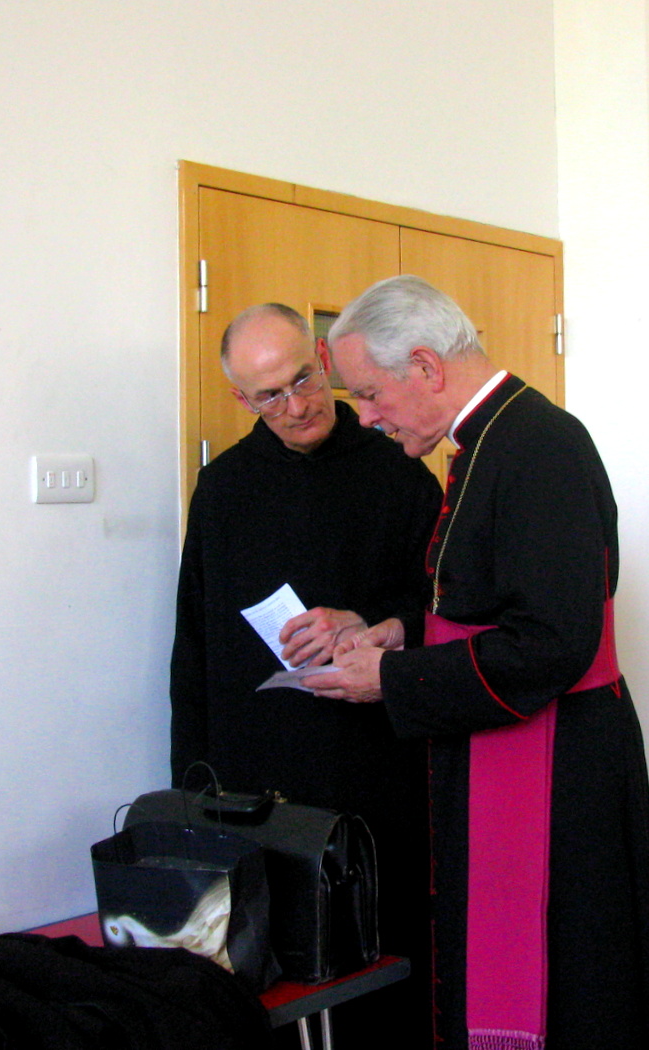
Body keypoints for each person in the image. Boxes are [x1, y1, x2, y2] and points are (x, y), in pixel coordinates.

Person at [307, 276, 649, 1050]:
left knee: (573, 987)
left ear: (426, 366)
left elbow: (552, 640)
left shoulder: (540, 447)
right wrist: (402, 633)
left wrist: (392, 681)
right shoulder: (490, 440)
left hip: (562, 772)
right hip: (516, 751)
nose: (364, 417)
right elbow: (484, 599)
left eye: (368, 393)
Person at [169, 302, 442, 1048]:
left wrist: (369, 622)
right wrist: (191, 791)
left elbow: (446, 612)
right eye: (269, 397)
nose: (295, 407)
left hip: (377, 774)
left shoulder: (400, 471)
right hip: (257, 783)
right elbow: (194, 645)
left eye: (302, 381)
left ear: (323, 360)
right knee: (272, 986)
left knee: (382, 983)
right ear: (241, 399)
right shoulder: (223, 489)